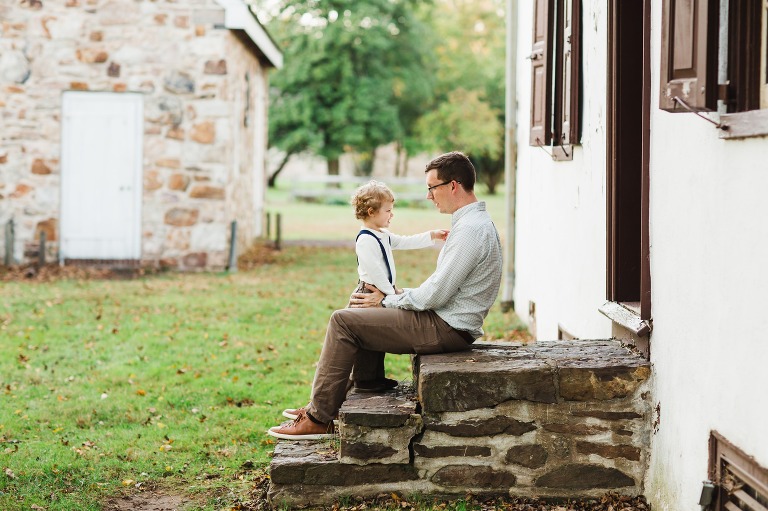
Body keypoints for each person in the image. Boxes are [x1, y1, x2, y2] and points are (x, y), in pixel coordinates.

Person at [268, 151, 502, 440]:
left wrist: (387, 299)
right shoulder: (471, 224)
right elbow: (440, 290)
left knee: (343, 321)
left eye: (432, 187)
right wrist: (397, 296)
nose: (429, 196)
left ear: (453, 186)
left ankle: (318, 418)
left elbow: (435, 295)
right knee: (360, 312)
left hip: (447, 327)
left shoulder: (471, 230)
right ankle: (364, 385)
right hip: (445, 320)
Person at [346, 180, 449, 393]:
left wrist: (432, 235)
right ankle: (365, 380)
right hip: (371, 293)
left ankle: (374, 377)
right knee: (366, 337)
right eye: (388, 211)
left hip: (382, 292)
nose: (392, 215)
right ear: (371, 211)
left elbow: (404, 241)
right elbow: (375, 271)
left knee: (375, 335)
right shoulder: (365, 239)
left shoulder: (382, 234)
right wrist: (391, 295)